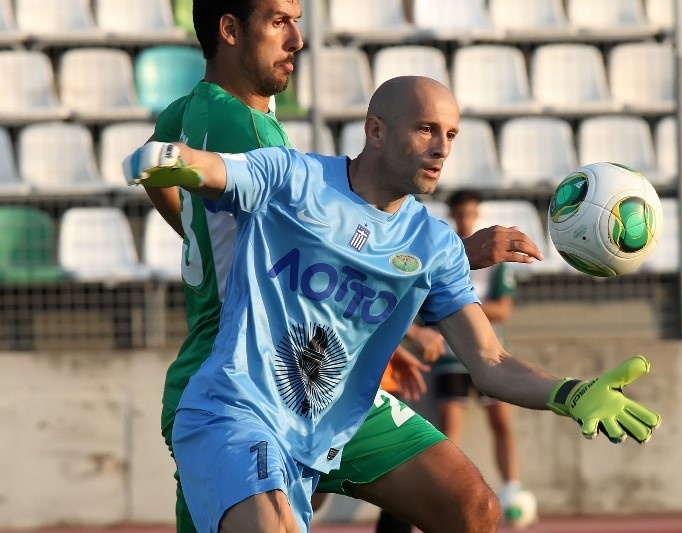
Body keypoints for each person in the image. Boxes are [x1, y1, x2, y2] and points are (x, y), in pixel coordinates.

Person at [125, 75, 662, 533]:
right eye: (426, 129)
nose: (442, 147)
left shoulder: (436, 245)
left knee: (474, 509)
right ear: (376, 130)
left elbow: (491, 363)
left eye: (451, 134)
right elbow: (216, 170)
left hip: (339, 414)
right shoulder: (292, 178)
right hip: (240, 406)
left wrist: (569, 392)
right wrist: (170, 160)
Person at [145, 2, 542, 533]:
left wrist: (198, 235)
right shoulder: (251, 133)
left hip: (308, 370)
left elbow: (154, 167)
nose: (297, 41)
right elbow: (329, 252)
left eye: (298, 22)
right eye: (280, 22)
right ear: (230, 29)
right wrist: (458, 261)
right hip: (241, 369)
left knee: (470, 506)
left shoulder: (193, 107)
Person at [435, 189, 531, 521]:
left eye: (471, 213)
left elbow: (504, 309)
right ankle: (447, 495)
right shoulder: (443, 252)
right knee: (448, 429)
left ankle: (512, 490)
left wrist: (460, 306)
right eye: (461, 214)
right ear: (453, 216)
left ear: (478, 215)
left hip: (490, 354)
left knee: (501, 422)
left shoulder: (494, 258)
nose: (466, 219)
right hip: (448, 356)